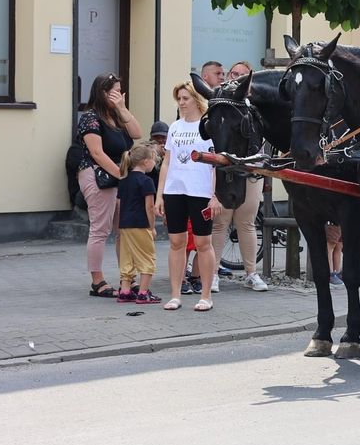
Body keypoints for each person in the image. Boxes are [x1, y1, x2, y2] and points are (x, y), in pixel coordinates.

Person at [156, 81, 222, 312]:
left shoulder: (210, 127)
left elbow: (216, 165)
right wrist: (160, 195)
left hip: (201, 191)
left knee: (203, 243)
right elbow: (167, 162)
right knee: (176, 243)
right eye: (179, 99)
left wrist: (215, 196)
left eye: (185, 98)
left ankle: (205, 295)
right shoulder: (174, 127)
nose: (181, 103)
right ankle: (175, 295)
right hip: (175, 191)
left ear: (196, 99)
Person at [77, 73, 142, 298]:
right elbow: (96, 153)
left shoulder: (117, 115)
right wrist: (123, 176)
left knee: (124, 230)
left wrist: (122, 108)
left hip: (118, 176)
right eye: (113, 90)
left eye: (119, 89)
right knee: (100, 229)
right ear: (102, 92)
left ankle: (128, 276)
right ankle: (98, 280)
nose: (117, 94)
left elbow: (137, 133)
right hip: (97, 176)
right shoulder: (90, 117)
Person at [209, 61, 269, 292]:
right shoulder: (220, 102)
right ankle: (212, 273)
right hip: (223, 170)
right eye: (234, 74)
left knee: (246, 222)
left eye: (243, 76)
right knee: (220, 222)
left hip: (251, 170)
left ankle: (251, 273)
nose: (236, 78)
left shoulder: (256, 106)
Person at [115, 143, 161, 305]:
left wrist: (119, 226)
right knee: (147, 258)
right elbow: (149, 206)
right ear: (144, 162)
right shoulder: (146, 181)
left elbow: (119, 204)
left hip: (125, 224)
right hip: (141, 224)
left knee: (127, 258)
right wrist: (152, 226)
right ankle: (143, 293)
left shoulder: (124, 180)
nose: (155, 163)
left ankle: (125, 291)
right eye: (153, 160)